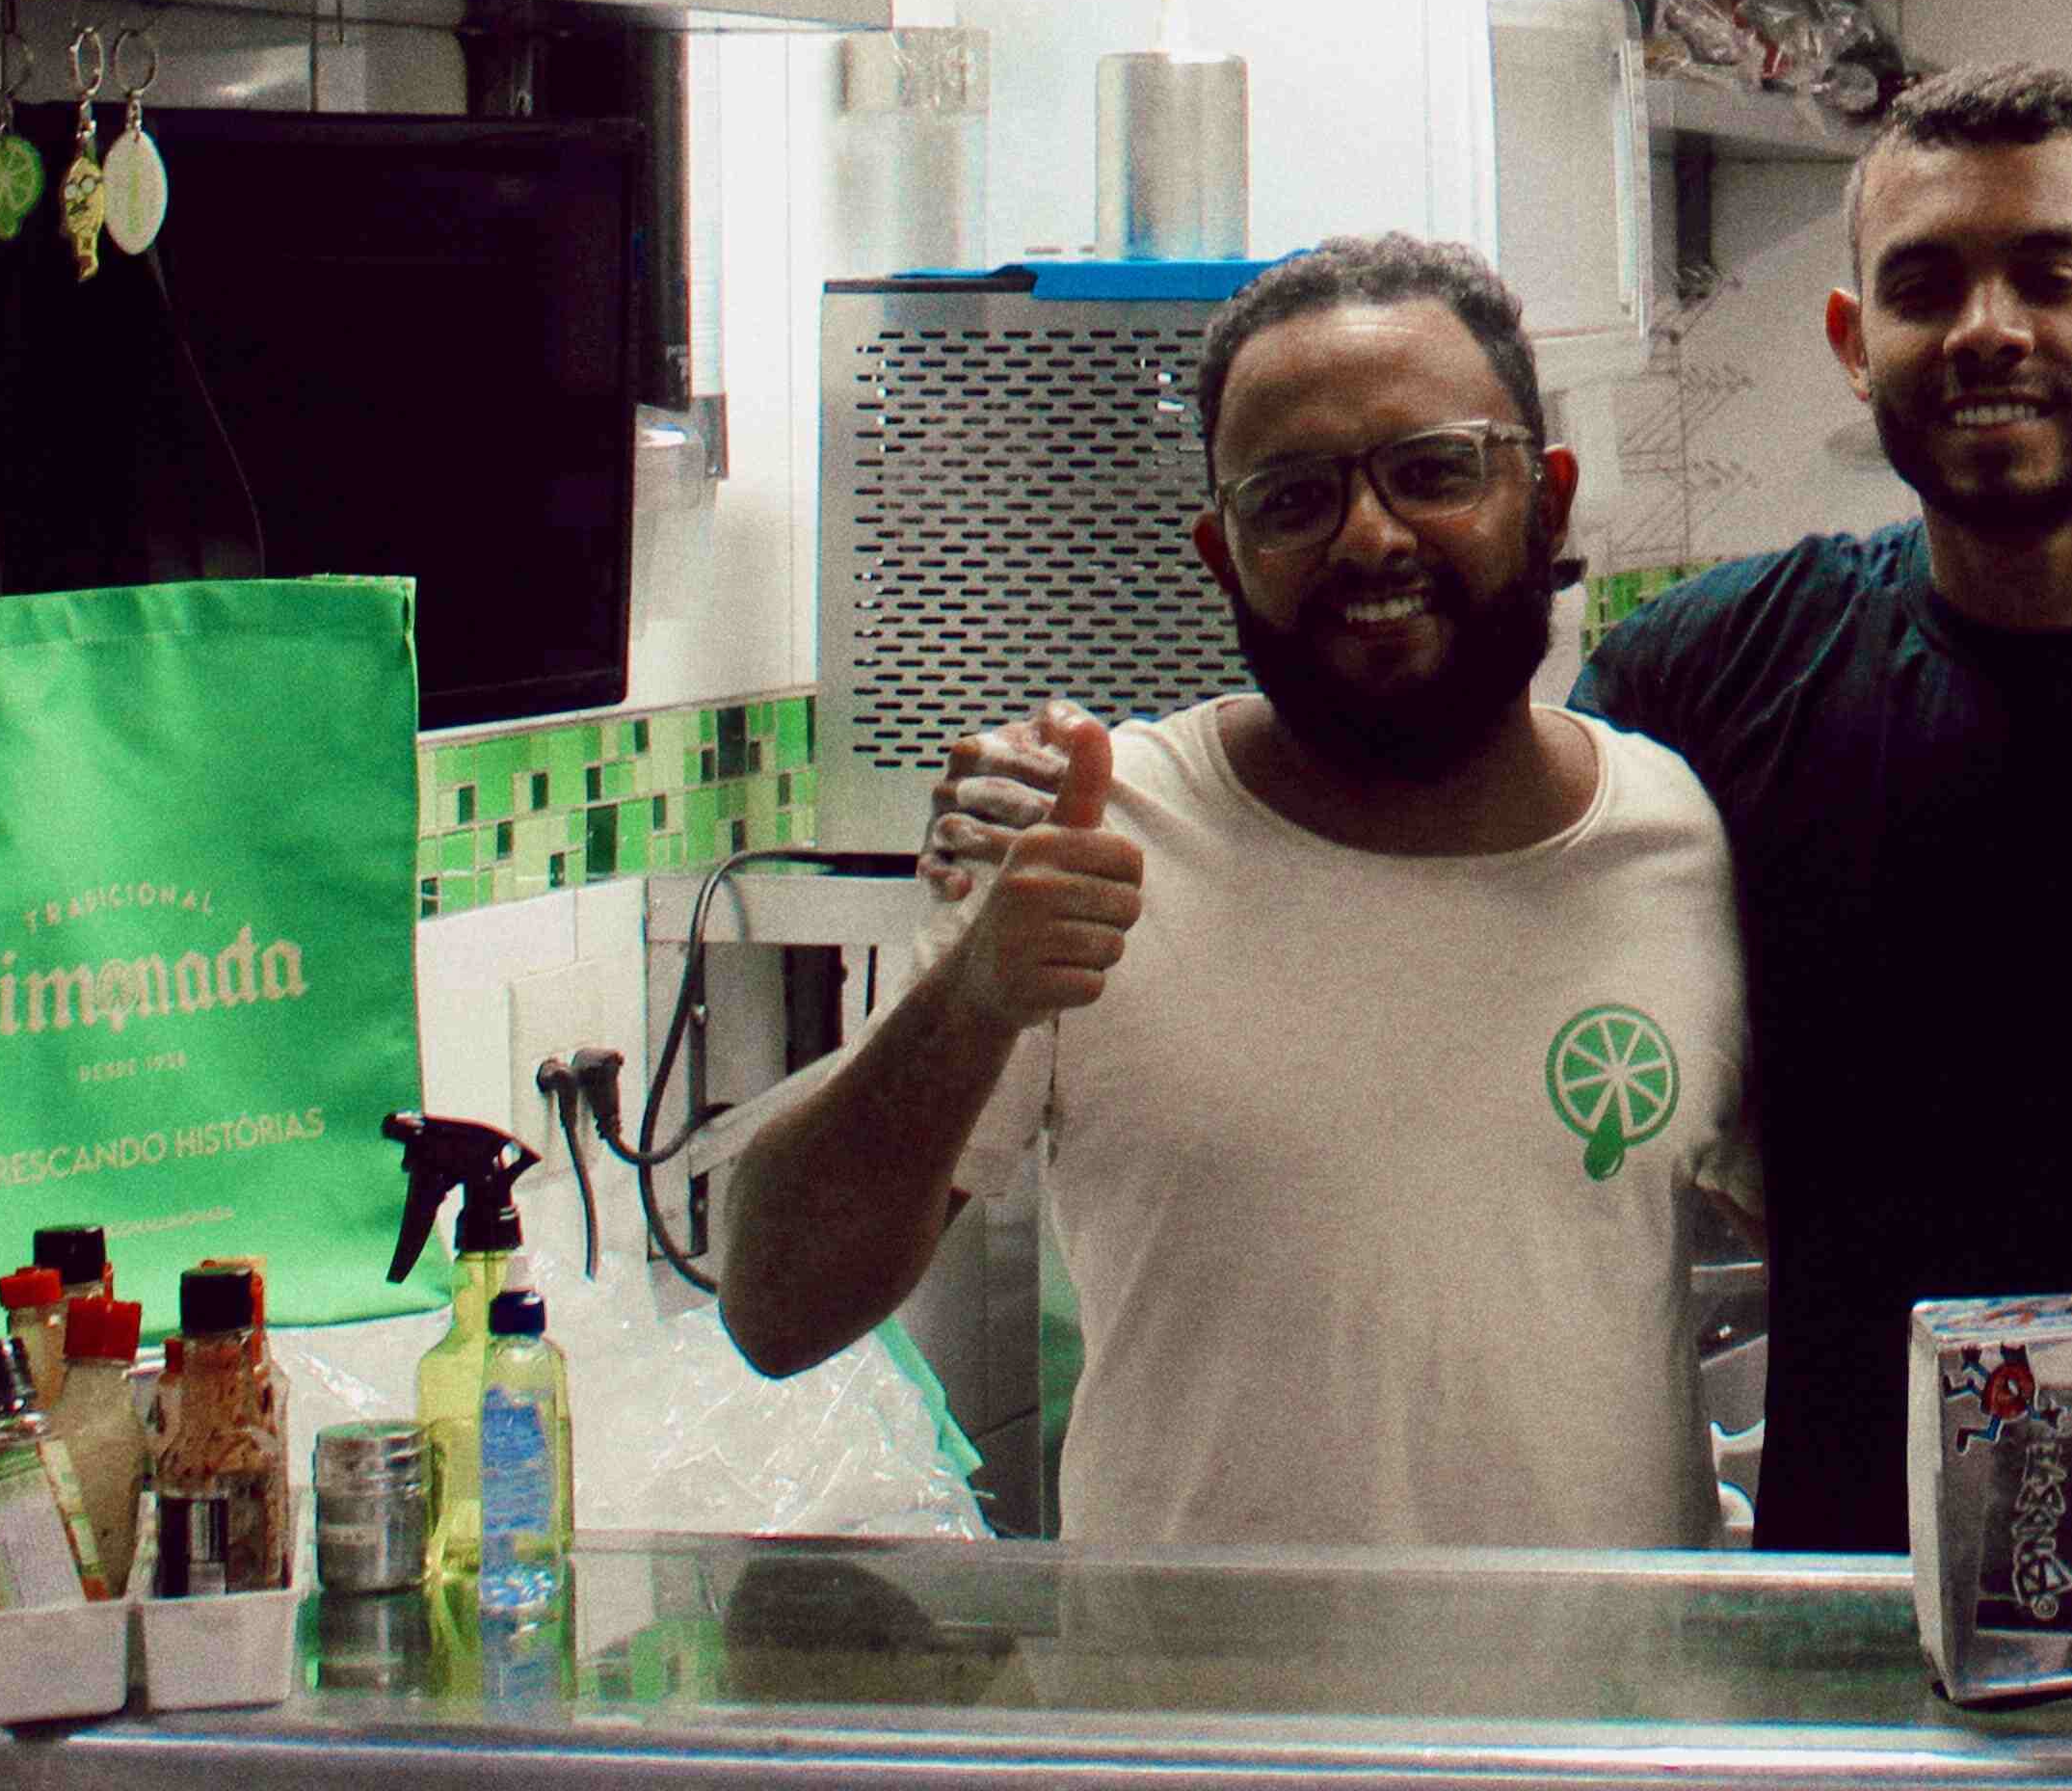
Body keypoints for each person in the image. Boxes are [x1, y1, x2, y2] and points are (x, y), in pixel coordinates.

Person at [721, 233, 1744, 1549]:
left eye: (1433, 471)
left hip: (1601, 1742)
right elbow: (773, 1307)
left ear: (1548, 497)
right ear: (1221, 551)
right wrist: (971, 997)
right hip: (1193, 1735)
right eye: (1293, 498)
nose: (1371, 536)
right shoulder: (1093, 833)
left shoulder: (1678, 841)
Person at [1575, 60, 2072, 1552]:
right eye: (1925, 287)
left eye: (2050, 274)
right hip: (1865, 1614)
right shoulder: (1707, 683)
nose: (1988, 330)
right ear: (1856, 343)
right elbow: (1477, 859)